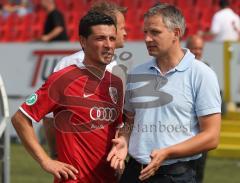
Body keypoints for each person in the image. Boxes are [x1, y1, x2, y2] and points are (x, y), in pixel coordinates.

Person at [107, 3, 222, 183]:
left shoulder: (201, 74)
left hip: (175, 175)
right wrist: (124, 140)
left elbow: (211, 137)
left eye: (155, 32)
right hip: (133, 171)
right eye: (145, 32)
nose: (147, 38)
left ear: (176, 33)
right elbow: (130, 121)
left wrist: (167, 152)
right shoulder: (136, 73)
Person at [11, 11, 124, 182]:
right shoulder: (63, 79)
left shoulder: (116, 83)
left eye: (112, 38)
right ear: (83, 41)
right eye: (100, 38)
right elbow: (20, 118)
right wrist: (46, 161)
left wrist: (121, 151)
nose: (108, 45)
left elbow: (117, 131)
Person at [42, 1, 127, 159]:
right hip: (75, 167)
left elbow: (117, 123)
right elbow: (49, 117)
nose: (125, 32)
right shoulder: (69, 64)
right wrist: (54, 155)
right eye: (122, 27)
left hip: (107, 164)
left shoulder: (116, 69)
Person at [186, 35, 207, 183]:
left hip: (202, 132)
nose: (197, 51)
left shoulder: (207, 70)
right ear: (187, 49)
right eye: (194, 48)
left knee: (199, 172)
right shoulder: (178, 70)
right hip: (185, 132)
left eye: (200, 48)